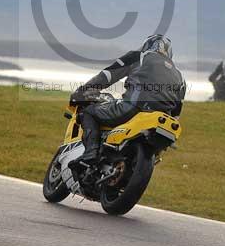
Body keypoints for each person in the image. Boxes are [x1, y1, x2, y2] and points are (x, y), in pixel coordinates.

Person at [69, 34, 186, 166]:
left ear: (148, 45)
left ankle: (90, 152)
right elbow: (176, 112)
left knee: (88, 112)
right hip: (160, 121)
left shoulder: (139, 56)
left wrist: (84, 90)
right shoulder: (180, 76)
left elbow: (109, 75)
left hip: (133, 107)